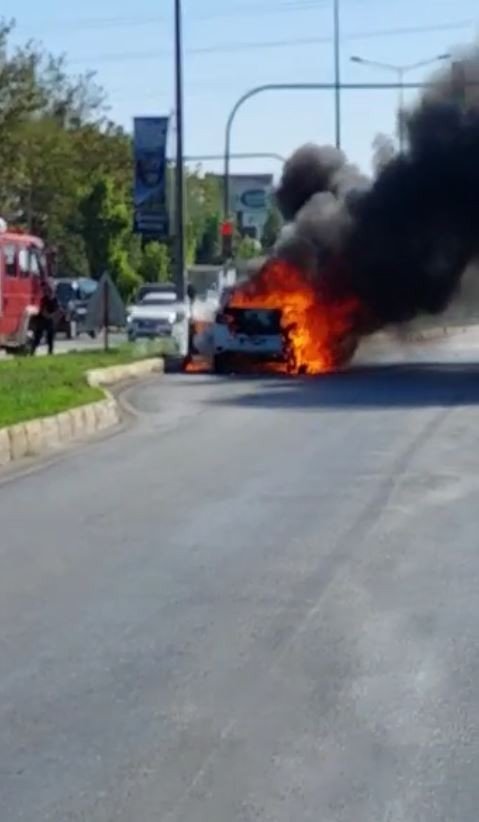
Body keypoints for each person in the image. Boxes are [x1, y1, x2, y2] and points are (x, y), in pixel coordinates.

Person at [32, 280, 59, 355]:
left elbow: (57, 310)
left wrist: (52, 316)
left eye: (49, 291)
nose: (48, 292)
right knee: (38, 336)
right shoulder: (44, 299)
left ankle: (50, 352)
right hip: (42, 319)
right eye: (48, 291)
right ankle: (32, 351)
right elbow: (42, 309)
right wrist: (46, 315)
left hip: (49, 319)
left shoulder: (54, 299)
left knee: (50, 337)